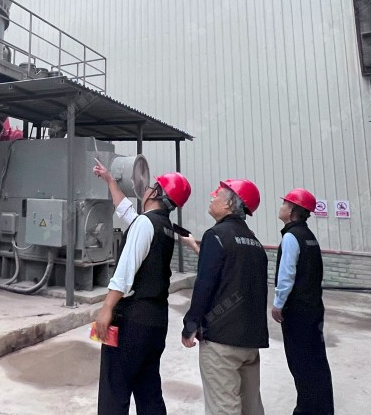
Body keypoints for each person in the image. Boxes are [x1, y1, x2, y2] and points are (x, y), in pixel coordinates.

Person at [92, 159, 197, 415]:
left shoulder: (145, 225)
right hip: (155, 322)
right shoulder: (164, 227)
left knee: (114, 389)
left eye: (151, 185)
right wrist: (109, 180)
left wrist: (107, 307)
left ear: (157, 193)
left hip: (132, 320)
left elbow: (125, 271)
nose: (146, 188)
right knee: (148, 388)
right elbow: (127, 211)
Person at [182, 179, 269, 415]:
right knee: (251, 407)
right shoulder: (254, 242)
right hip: (250, 341)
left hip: (221, 342)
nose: (212, 197)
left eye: (217, 194)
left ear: (230, 203)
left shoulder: (216, 235)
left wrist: (190, 324)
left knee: (223, 407)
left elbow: (206, 285)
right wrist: (197, 248)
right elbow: (234, 274)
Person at [272, 189, 334, 415]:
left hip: (297, 311)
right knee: (316, 361)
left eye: (285, 204)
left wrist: (278, 303)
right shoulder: (309, 237)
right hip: (313, 309)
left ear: (292, 211)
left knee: (300, 363)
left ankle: (307, 409)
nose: (281, 207)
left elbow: (286, 274)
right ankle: (322, 408)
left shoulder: (291, 237)